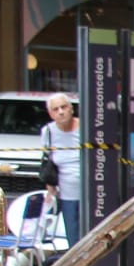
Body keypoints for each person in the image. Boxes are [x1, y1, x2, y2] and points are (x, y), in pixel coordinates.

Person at [40, 92, 83, 247]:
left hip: (91, 191)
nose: (61, 112)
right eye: (55, 109)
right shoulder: (48, 132)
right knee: (73, 236)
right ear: (50, 114)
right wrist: (50, 187)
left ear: (71, 109)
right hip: (67, 193)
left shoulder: (85, 127)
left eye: (64, 107)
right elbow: (47, 160)